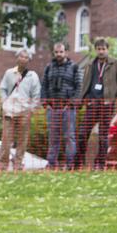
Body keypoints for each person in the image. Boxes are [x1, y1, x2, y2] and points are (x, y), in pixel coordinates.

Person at [77, 38, 117, 170]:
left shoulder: (115, 63)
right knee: (82, 134)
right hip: (92, 104)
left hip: (107, 104)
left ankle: (100, 163)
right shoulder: (91, 64)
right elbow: (85, 83)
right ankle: (79, 162)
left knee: (103, 136)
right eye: (99, 49)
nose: (101, 51)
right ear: (95, 50)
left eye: (103, 49)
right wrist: (82, 99)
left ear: (107, 49)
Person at [0, 49, 41, 171]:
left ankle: (18, 163)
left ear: (29, 60)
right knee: (6, 138)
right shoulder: (9, 73)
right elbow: (3, 88)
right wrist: (4, 102)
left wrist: (31, 109)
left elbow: (36, 95)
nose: (23, 59)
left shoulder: (33, 76)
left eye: (26, 57)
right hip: (9, 110)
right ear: (17, 58)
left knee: (22, 139)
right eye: (21, 56)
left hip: (24, 111)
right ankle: (2, 163)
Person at [41, 42, 82, 170]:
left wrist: (71, 103)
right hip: (53, 108)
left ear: (66, 53)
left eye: (61, 52)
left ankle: (70, 164)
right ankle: (51, 163)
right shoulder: (49, 67)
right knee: (53, 137)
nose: (59, 54)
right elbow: (44, 86)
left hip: (68, 108)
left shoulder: (74, 67)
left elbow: (79, 87)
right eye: (56, 52)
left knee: (69, 136)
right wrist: (45, 102)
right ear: (54, 53)